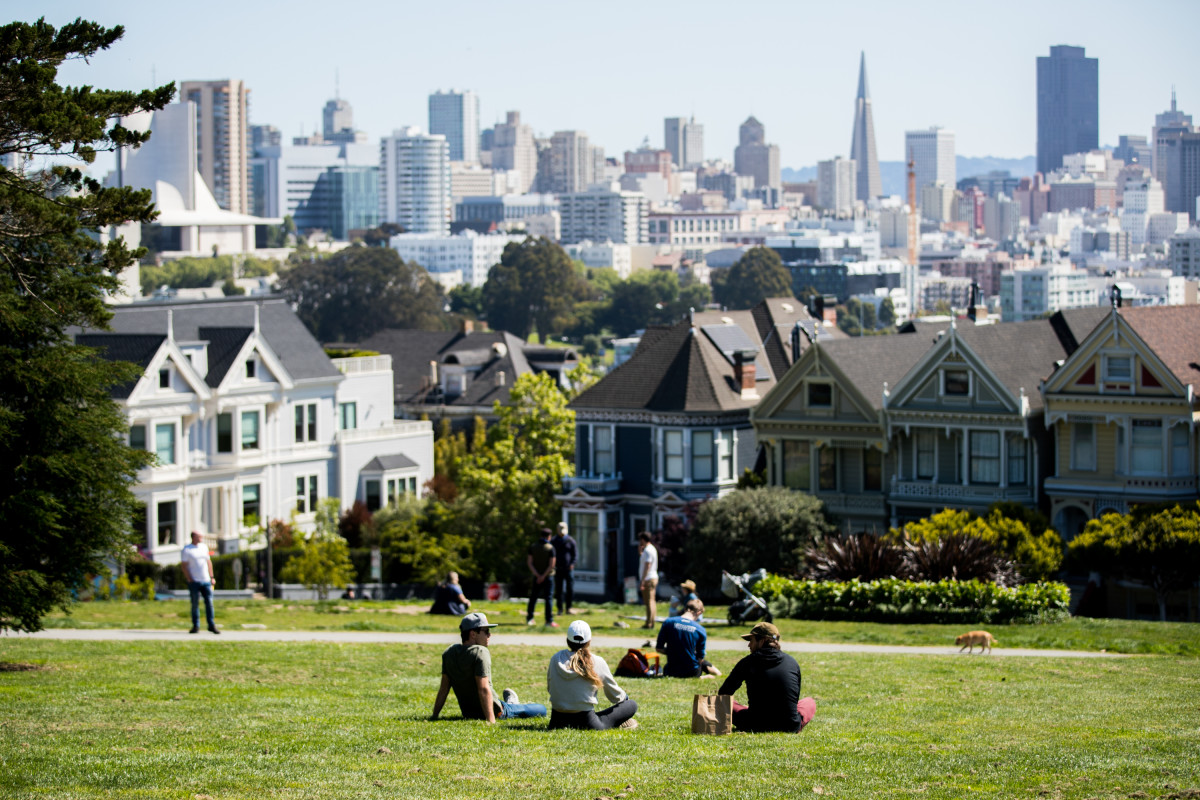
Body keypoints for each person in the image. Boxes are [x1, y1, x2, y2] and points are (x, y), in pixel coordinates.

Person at [431, 612, 547, 723]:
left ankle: (510, 703)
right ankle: (512, 704)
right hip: (494, 710)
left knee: (503, 702)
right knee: (541, 709)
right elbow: (483, 688)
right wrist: (491, 720)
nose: (489, 635)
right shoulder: (480, 652)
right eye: (486, 631)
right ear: (473, 634)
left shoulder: (449, 653)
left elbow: (444, 688)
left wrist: (435, 715)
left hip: (468, 713)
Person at [717, 621, 815, 733]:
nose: (749, 645)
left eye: (751, 641)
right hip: (789, 725)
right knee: (809, 702)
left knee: (727, 705)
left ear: (762, 641)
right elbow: (794, 699)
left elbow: (723, 695)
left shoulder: (748, 662)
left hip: (755, 724)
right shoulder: (792, 662)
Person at [546, 620, 638, 731]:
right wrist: (625, 698)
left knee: (597, 715)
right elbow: (615, 697)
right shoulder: (596, 661)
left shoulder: (556, 658)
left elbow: (550, 688)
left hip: (557, 720)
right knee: (631, 705)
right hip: (586, 721)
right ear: (589, 641)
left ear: (567, 640)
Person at [656, 599, 721, 678]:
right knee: (697, 659)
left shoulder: (668, 622)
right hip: (691, 672)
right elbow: (700, 658)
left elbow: (659, 648)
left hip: (671, 671)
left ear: (685, 609)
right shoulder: (700, 629)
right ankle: (715, 674)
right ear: (699, 612)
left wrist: (674, 651)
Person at [180, 531, 219, 635]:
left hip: (206, 580)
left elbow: (208, 562)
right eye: (199, 536)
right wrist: (189, 578)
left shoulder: (204, 547)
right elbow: (184, 566)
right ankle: (196, 626)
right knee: (195, 604)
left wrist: (212, 577)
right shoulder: (187, 549)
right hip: (194, 581)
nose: (201, 538)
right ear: (193, 537)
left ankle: (211, 625)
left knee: (209, 603)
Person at [526, 528, 557, 627]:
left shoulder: (533, 547)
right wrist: (543, 576)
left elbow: (530, 563)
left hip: (537, 577)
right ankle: (549, 621)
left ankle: (530, 618)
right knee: (548, 599)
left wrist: (538, 575)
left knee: (533, 597)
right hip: (548, 577)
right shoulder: (550, 548)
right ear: (549, 536)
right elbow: (552, 565)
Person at [552, 521, 577, 616]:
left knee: (570, 589)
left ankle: (569, 608)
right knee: (559, 590)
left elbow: (575, 555)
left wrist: (572, 564)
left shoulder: (571, 541)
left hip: (568, 569)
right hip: (558, 569)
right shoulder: (554, 541)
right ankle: (560, 609)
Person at [637, 532, 658, 629]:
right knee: (651, 601)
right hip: (652, 577)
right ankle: (651, 621)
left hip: (648, 578)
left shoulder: (648, 550)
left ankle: (649, 623)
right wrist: (640, 553)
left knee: (649, 601)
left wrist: (643, 580)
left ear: (643, 539)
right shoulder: (650, 549)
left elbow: (647, 565)